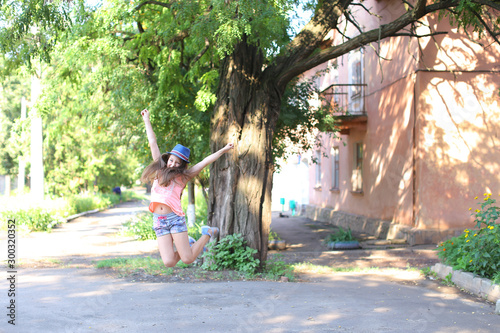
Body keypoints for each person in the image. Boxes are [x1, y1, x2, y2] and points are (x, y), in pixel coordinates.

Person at [140, 109, 233, 267]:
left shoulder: (183, 177)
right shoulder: (159, 169)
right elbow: (153, 142)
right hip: (159, 220)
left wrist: (223, 150)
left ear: (182, 165)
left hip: (174, 219)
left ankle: (207, 233)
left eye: (178, 163)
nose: (173, 164)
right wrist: (146, 120)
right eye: (171, 160)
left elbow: (205, 161)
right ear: (168, 159)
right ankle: (189, 244)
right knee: (169, 262)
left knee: (188, 259)